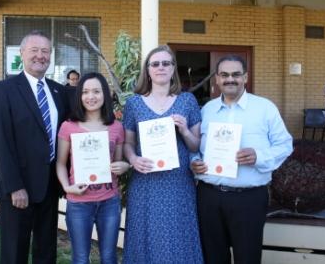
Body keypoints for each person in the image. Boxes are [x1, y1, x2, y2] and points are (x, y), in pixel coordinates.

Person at [190, 55, 293, 264]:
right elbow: (196, 147)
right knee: (212, 257)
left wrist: (259, 156)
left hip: (248, 199)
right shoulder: (207, 110)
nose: (230, 79)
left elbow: (285, 145)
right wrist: (194, 161)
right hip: (209, 196)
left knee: (247, 257)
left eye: (236, 74)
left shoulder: (265, 108)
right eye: (224, 75)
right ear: (217, 79)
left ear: (245, 77)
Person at [0, 30, 72, 264]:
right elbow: (1, 141)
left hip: (49, 185)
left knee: (46, 250)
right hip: (19, 187)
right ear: (22, 53)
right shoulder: (4, 90)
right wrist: (15, 186)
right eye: (34, 50)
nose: (40, 56)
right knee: (15, 251)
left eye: (45, 51)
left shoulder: (59, 91)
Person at [122, 45, 204, 263]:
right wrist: (133, 159)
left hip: (178, 183)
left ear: (173, 68)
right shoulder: (134, 103)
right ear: (147, 70)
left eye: (166, 63)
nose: (160, 67)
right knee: (144, 236)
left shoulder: (187, 101)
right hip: (145, 181)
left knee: (178, 236)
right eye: (155, 64)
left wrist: (185, 130)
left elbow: (196, 146)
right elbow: (128, 142)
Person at [56, 72, 129, 264]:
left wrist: (124, 166)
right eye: (86, 92)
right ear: (79, 96)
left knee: (109, 257)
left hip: (109, 203)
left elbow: (118, 165)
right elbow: (60, 163)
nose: (91, 96)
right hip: (79, 202)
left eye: (96, 91)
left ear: (105, 94)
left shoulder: (116, 127)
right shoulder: (68, 127)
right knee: (80, 258)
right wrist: (66, 187)